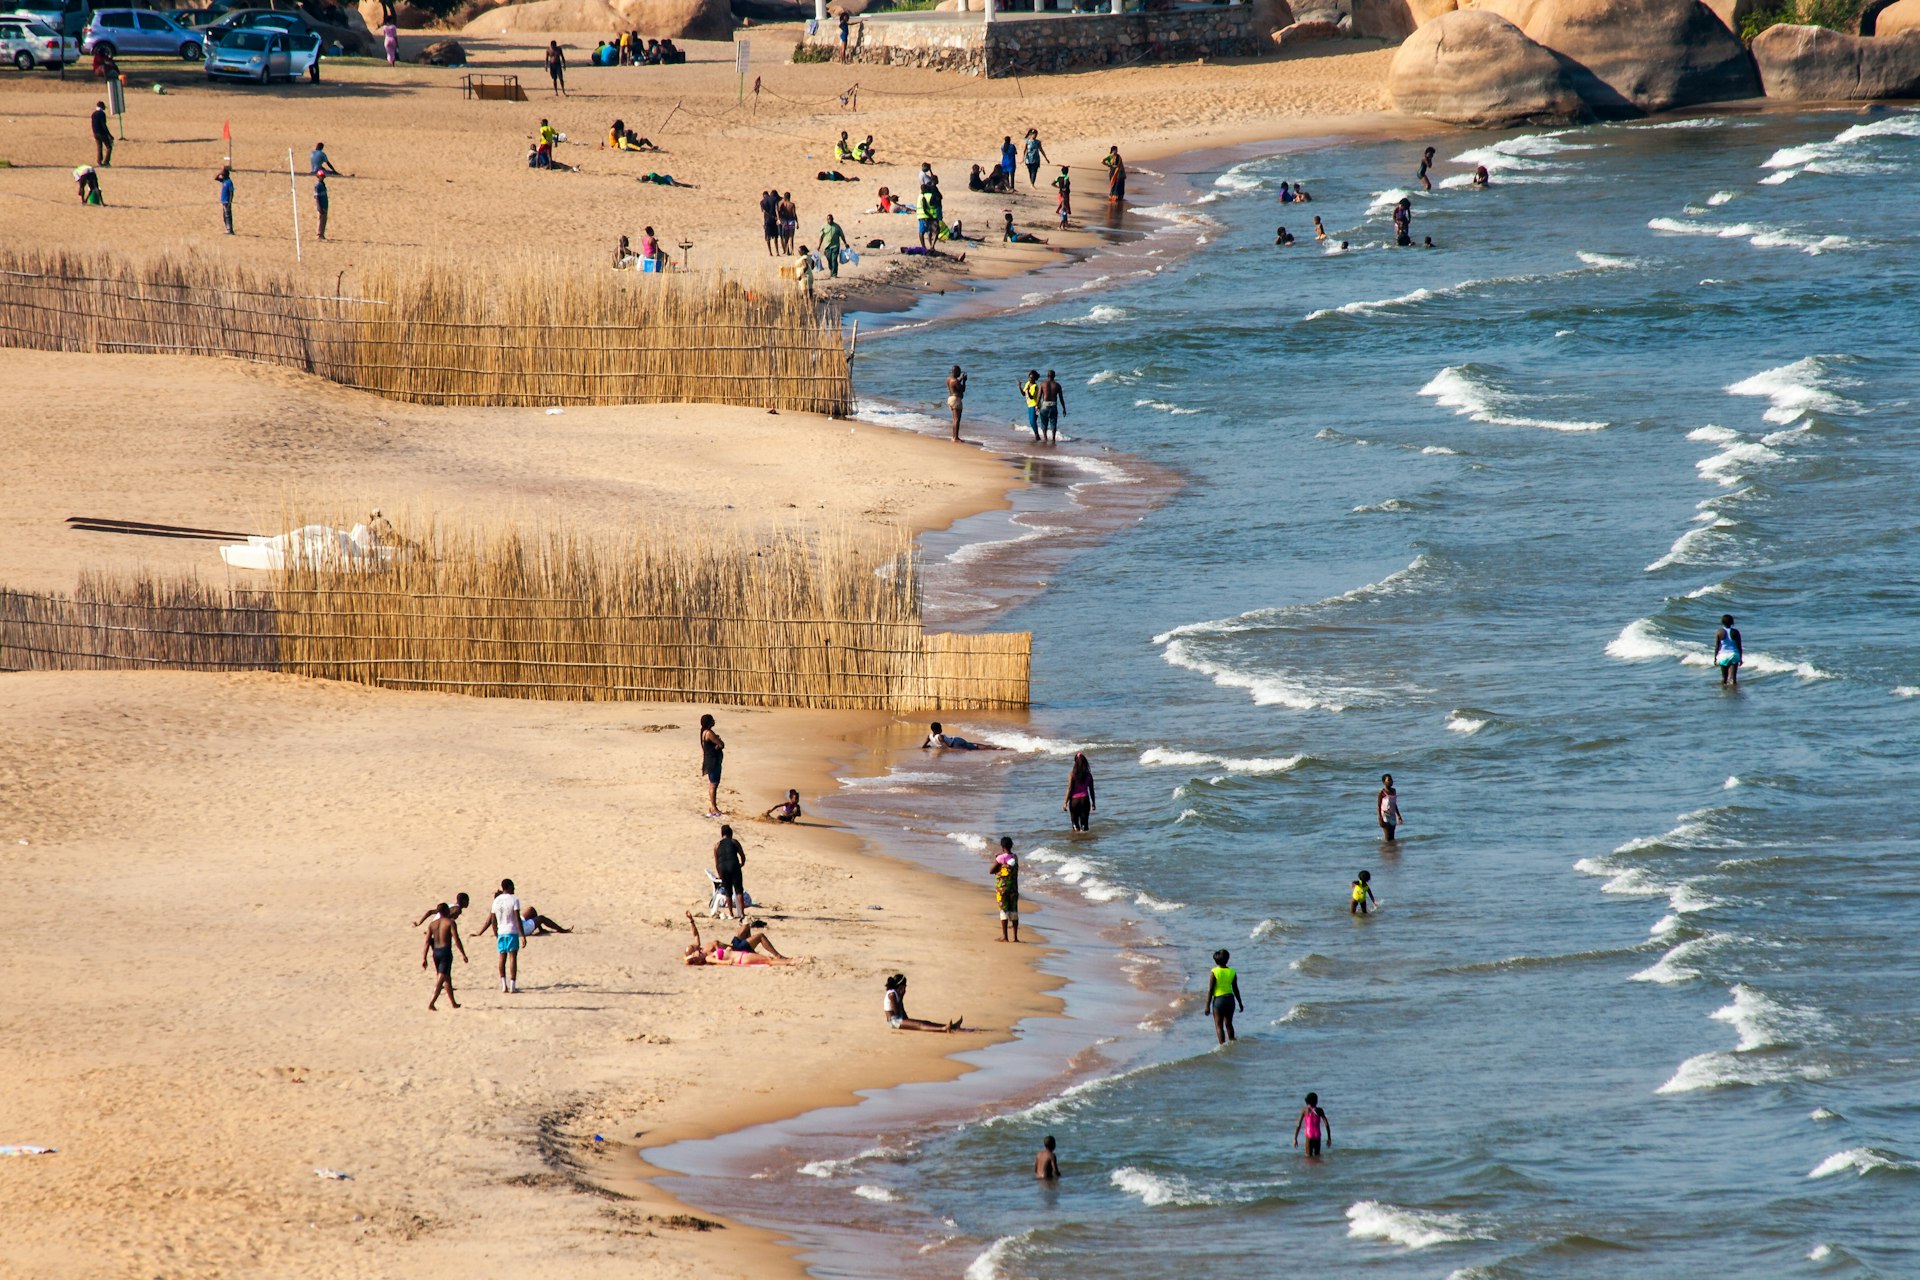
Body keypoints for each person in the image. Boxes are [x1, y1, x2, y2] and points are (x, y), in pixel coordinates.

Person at [471, 878, 524, 992]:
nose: (514, 888)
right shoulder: (514, 899)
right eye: (513, 886)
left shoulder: (496, 901)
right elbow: (517, 918)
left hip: (501, 932)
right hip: (512, 931)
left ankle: (504, 985)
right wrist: (523, 935)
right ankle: (513, 985)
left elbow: (493, 920)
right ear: (508, 887)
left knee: (502, 957)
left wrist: (496, 933)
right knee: (512, 957)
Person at [422, 903, 468, 1010]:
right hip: (445, 952)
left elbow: (427, 942)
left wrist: (424, 958)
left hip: (436, 953)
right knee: (441, 979)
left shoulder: (432, 924)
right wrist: (463, 954)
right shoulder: (450, 923)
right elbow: (456, 939)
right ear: (447, 911)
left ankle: (453, 1003)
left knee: (447, 978)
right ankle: (432, 1002)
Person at [884, 974, 961, 1032]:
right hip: (894, 1022)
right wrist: (902, 996)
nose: (905, 988)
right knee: (920, 1025)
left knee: (925, 1022)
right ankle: (943, 1029)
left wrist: (907, 1019)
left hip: (899, 1019)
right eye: (905, 986)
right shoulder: (892, 994)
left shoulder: (896, 992)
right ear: (901, 985)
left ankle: (951, 1026)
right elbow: (896, 1011)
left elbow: (901, 1008)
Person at [1203, 948, 1242, 1045]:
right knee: (1229, 1024)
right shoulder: (1232, 971)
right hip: (1230, 1000)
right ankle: (1233, 1042)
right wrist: (1240, 1003)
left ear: (1216, 961)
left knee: (1219, 1025)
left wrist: (1207, 1006)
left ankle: (1222, 1046)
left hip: (1219, 1000)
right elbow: (1236, 989)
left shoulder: (1214, 971)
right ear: (1227, 959)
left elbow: (1211, 990)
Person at [713, 824, 747, 921]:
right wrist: (742, 863)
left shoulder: (717, 846)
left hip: (722, 867)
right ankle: (742, 914)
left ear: (722, 834)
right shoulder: (734, 841)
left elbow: (716, 863)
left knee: (728, 891)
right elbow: (742, 854)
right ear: (731, 833)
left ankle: (731, 913)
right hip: (734, 865)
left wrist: (720, 874)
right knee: (739, 889)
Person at [993, 836, 1020, 943]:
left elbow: (991, 870)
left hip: (1002, 889)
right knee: (1013, 911)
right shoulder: (1015, 857)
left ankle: (1005, 936)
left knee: (1003, 910)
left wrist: (996, 859)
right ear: (1011, 845)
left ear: (1002, 846)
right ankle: (1015, 937)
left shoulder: (1000, 858)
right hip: (1013, 888)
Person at [699, 713, 725, 817]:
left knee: (712, 784)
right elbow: (721, 744)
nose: (714, 721)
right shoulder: (709, 733)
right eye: (712, 720)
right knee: (714, 785)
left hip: (710, 760)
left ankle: (713, 806)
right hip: (713, 761)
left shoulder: (704, 732)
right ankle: (714, 807)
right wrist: (717, 743)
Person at [1293, 1092, 1332, 1157]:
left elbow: (1298, 1124)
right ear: (1316, 1101)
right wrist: (1329, 1138)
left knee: (1308, 1157)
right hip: (1318, 1135)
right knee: (1317, 1156)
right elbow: (1326, 1124)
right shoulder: (1320, 1110)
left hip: (1309, 1135)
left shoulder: (1305, 1110)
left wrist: (1295, 1138)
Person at [922, 720, 1006, 750]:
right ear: (937, 730)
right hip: (955, 742)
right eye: (940, 728)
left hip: (956, 741)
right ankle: (994, 747)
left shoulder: (929, 736)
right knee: (975, 746)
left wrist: (930, 747)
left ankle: (994, 748)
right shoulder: (939, 736)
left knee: (975, 746)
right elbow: (947, 747)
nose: (941, 730)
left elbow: (924, 746)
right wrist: (958, 750)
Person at [1064, 751, 1095, 831]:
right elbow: (1091, 790)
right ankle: (1085, 839)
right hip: (1085, 800)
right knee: (1085, 824)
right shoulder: (1089, 775)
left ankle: (1077, 838)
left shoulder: (1072, 775)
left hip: (1074, 801)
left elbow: (1069, 789)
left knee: (1074, 822)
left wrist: (1065, 803)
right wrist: (1093, 803)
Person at [1714, 614, 1743, 686]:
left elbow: (1717, 646)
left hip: (1723, 656)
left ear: (1722, 622)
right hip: (1734, 654)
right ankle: (1733, 693)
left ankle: (1724, 693)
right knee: (1733, 679)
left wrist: (1715, 658)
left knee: (1724, 678)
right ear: (1732, 622)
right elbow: (1739, 646)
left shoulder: (1719, 632)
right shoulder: (1735, 632)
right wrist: (1740, 658)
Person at [1038, 369, 1065, 444]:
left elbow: (1039, 396)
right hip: (1053, 405)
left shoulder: (1042, 384)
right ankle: (1053, 439)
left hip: (1044, 405)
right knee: (1053, 423)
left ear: (1047, 376)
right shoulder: (1057, 385)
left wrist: (1036, 406)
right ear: (1054, 376)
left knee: (1044, 423)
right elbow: (1061, 398)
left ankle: (1045, 438)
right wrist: (1064, 408)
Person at [818, 213, 846, 279]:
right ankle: (831, 270)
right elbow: (821, 237)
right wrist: (819, 246)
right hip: (827, 246)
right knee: (829, 259)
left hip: (835, 246)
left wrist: (845, 243)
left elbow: (842, 235)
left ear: (833, 219)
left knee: (834, 259)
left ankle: (834, 274)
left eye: (830, 219)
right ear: (826, 220)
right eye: (828, 219)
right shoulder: (824, 227)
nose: (829, 221)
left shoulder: (837, 226)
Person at [1377, 774, 1402, 842]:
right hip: (1385, 815)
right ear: (1384, 782)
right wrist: (1380, 818)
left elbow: (1394, 804)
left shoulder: (1393, 791)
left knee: (1392, 836)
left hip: (1392, 814)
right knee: (1387, 837)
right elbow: (1378, 806)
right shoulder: (1381, 792)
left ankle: (1392, 851)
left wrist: (1399, 815)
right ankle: (1386, 851)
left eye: (1391, 779)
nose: (1391, 781)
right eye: (1389, 780)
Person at [1018, 370, 1041, 441]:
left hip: (1035, 405)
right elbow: (1023, 394)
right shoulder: (1027, 383)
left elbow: (1031, 397)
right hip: (1030, 405)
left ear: (1035, 379)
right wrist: (1019, 386)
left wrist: (1028, 390)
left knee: (1032, 421)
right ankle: (1037, 435)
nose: (1030, 379)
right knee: (1033, 421)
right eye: (1029, 377)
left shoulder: (1035, 386)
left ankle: (1037, 435)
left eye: (1032, 378)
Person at [946, 365, 967, 442]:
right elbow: (962, 389)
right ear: (956, 372)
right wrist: (964, 381)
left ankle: (954, 436)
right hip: (956, 400)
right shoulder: (955, 381)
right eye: (959, 372)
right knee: (957, 419)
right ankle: (955, 437)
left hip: (950, 399)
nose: (959, 373)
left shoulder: (949, 379)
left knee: (955, 419)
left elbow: (956, 385)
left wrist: (961, 379)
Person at [90, 101, 113, 167]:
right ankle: (106, 162)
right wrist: (109, 135)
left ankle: (99, 162)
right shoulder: (102, 114)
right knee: (109, 147)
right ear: (102, 107)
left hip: (95, 133)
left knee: (99, 147)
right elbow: (104, 125)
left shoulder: (93, 114)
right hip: (101, 133)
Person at [760, 189, 780, 256]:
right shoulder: (773, 199)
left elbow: (763, 211)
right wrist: (777, 218)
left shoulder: (762, 202)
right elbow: (776, 209)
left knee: (767, 237)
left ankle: (770, 252)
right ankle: (777, 252)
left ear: (763, 196)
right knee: (775, 237)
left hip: (767, 221)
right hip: (774, 220)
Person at [216, 165, 234, 235]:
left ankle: (230, 230)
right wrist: (220, 172)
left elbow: (231, 193)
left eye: (223, 174)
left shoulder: (229, 182)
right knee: (224, 216)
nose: (222, 175)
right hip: (223, 201)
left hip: (227, 202)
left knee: (228, 215)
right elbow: (215, 178)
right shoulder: (224, 180)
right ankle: (228, 228)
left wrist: (230, 202)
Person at [313, 169, 330, 239]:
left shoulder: (323, 185)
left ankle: (322, 234)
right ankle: (319, 234)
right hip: (321, 205)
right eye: (320, 176)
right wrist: (319, 207)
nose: (322, 177)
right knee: (320, 219)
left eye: (323, 176)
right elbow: (316, 197)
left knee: (324, 220)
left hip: (325, 205)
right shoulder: (318, 185)